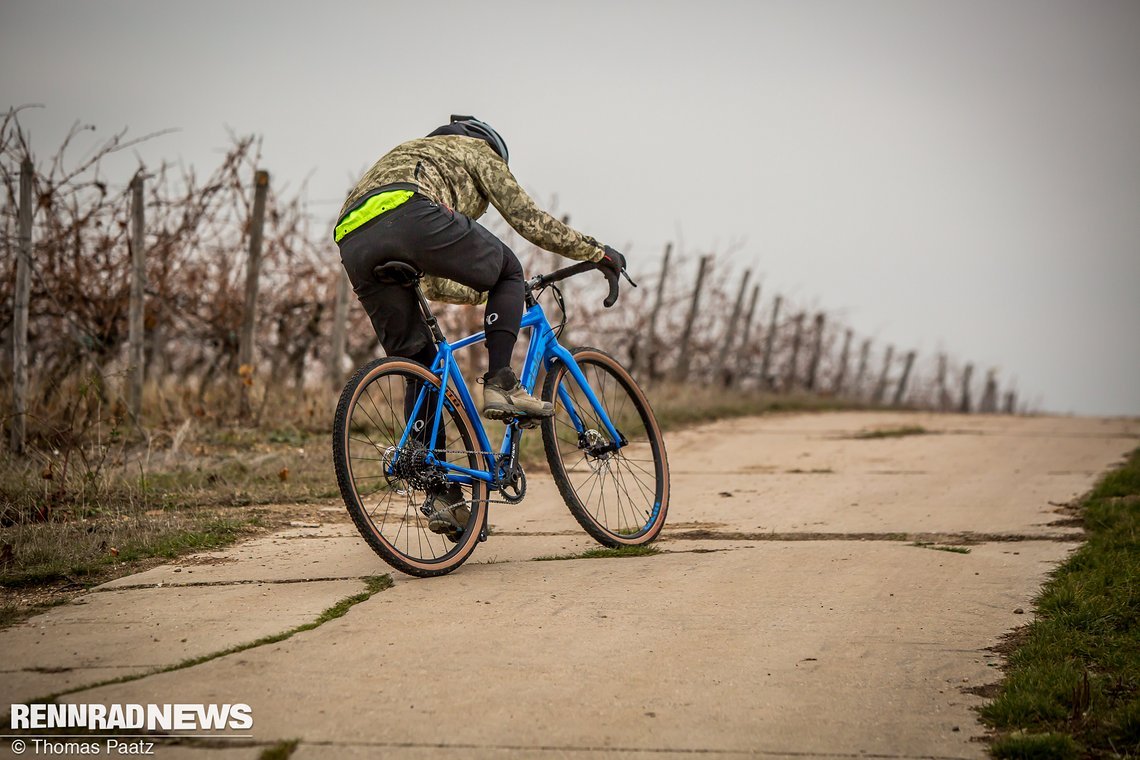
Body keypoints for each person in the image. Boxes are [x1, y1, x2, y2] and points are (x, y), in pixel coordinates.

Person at [334, 115, 627, 539]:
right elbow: (528, 219)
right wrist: (596, 252)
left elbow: (433, 281)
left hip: (353, 237)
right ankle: (503, 382)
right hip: (412, 212)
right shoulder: (476, 150)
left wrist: (489, 294)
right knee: (509, 267)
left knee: (419, 361)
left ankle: (442, 494)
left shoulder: (411, 155)